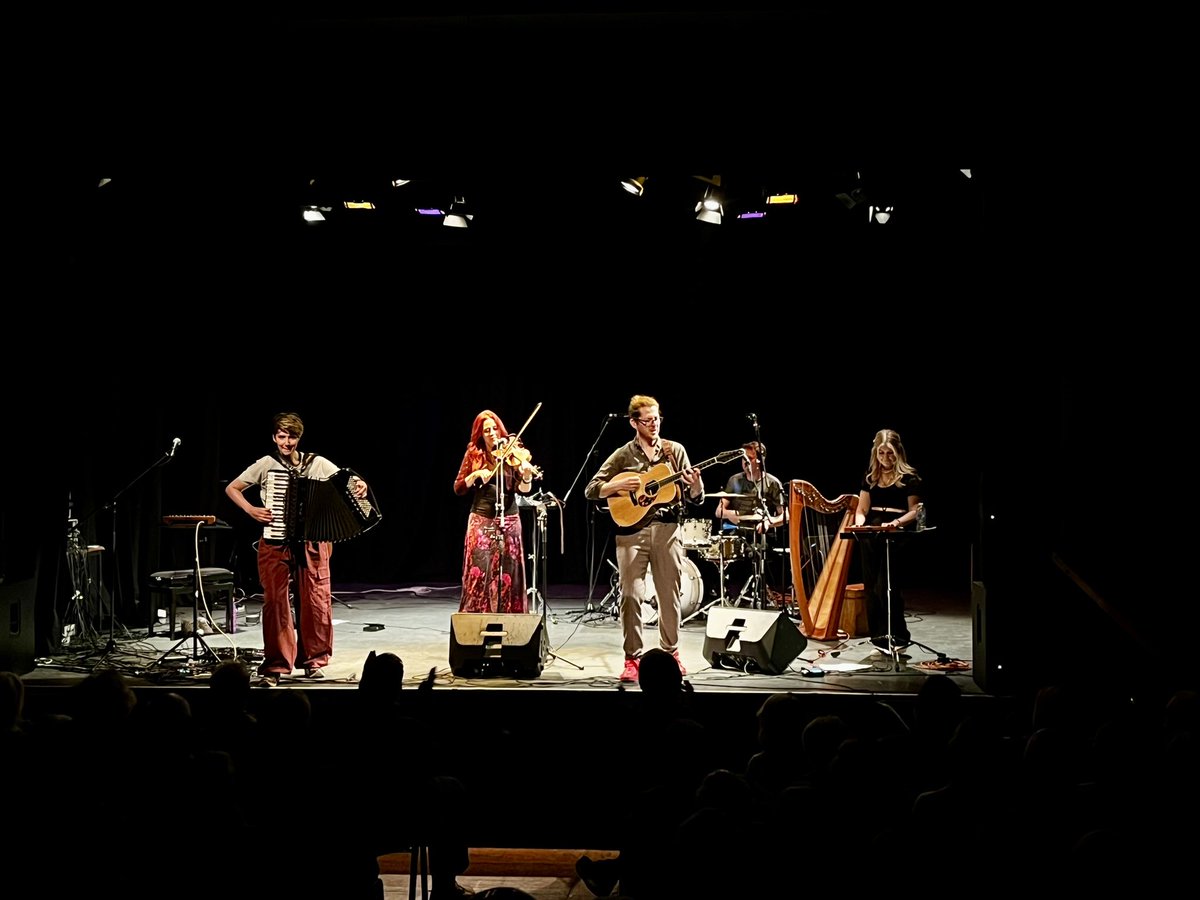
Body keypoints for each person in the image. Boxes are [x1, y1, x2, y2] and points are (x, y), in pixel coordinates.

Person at [225, 411, 369, 686]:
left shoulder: (318, 464)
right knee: (276, 603)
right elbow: (233, 488)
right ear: (274, 437)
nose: (287, 442)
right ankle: (277, 665)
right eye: (282, 436)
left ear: (299, 438)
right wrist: (251, 510)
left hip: (313, 543)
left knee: (316, 601)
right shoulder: (266, 464)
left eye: (292, 436)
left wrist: (361, 484)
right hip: (275, 542)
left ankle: (313, 661)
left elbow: (350, 483)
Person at [584, 394, 705, 681]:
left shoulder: (674, 451)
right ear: (633, 422)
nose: (654, 424)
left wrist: (696, 485)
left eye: (657, 418)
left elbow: (695, 497)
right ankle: (632, 659)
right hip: (631, 533)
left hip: (667, 530)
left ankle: (671, 653)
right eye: (648, 420)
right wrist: (615, 484)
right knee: (629, 595)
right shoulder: (623, 455)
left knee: (669, 596)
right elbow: (591, 489)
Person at [453, 409, 538, 613]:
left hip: (509, 518)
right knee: (479, 570)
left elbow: (523, 489)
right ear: (480, 434)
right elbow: (458, 487)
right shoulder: (474, 454)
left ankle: (511, 618)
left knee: (511, 571)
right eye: (486, 430)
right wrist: (474, 475)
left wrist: (526, 476)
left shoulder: (512, 451)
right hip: (481, 518)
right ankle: (477, 618)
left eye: (494, 429)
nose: (491, 433)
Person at [853, 427, 923, 652]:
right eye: (881, 453)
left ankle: (899, 636)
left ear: (898, 452)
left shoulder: (909, 478)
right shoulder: (870, 478)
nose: (885, 458)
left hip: (895, 534)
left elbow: (915, 510)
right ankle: (880, 639)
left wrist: (896, 523)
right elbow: (862, 508)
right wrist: (859, 522)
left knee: (888, 587)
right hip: (871, 533)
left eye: (890, 453)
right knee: (872, 588)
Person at [713, 440, 787, 604]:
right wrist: (730, 514)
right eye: (743, 458)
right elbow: (719, 511)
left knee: (756, 552)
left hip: (761, 535)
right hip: (737, 533)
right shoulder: (734, 480)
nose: (745, 462)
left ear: (760, 461)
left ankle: (756, 596)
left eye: (750, 459)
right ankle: (733, 596)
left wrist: (770, 522)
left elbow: (785, 516)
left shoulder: (772, 483)